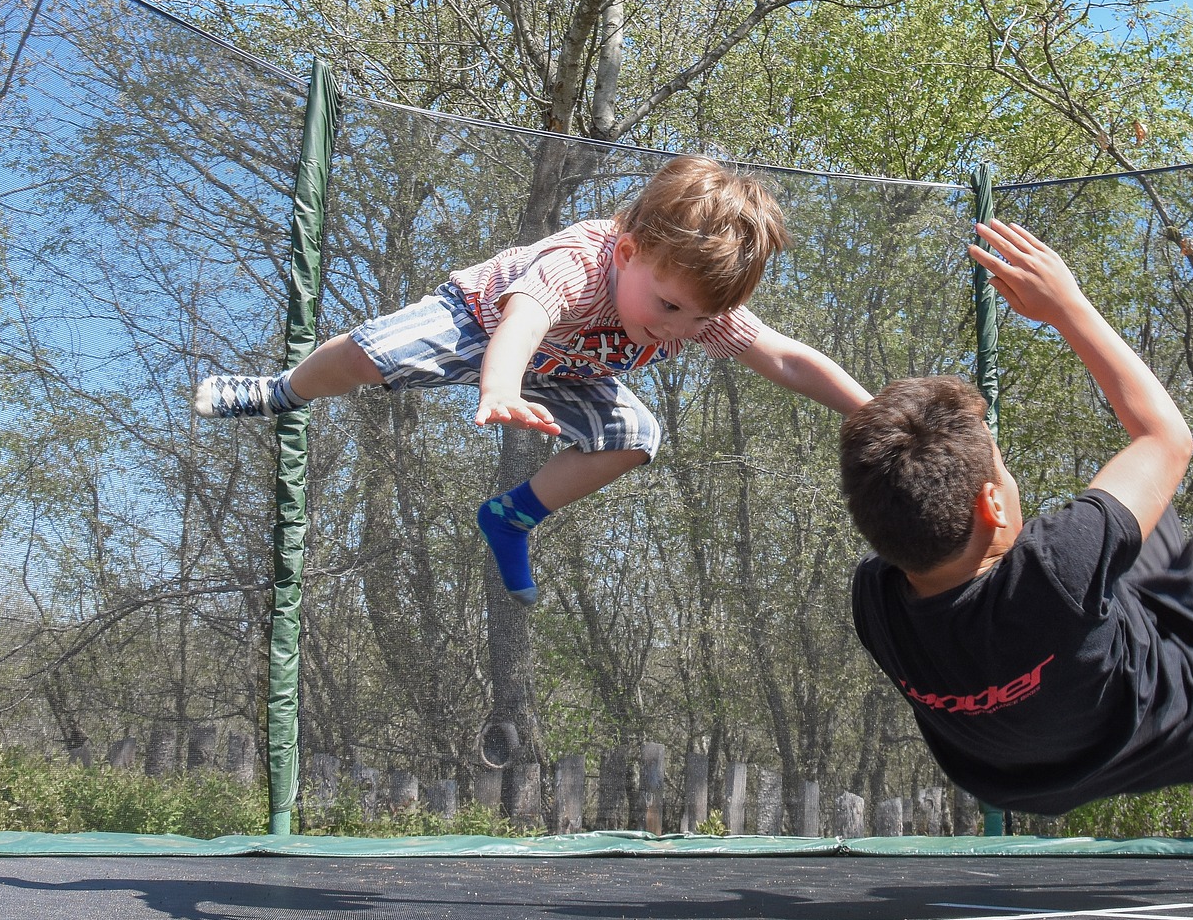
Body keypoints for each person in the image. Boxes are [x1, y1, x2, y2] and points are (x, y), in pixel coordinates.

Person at [842, 218, 1193, 815]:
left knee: (1145, 517)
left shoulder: (875, 601)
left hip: (1019, 781)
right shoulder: (1057, 567)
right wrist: (1067, 307)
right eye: (1003, 468)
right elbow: (1166, 437)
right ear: (990, 505)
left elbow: (898, 485)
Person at [196, 155, 870, 606]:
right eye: (667, 308)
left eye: (700, 319)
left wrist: (868, 410)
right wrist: (500, 386)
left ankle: (509, 517)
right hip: (481, 326)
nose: (676, 331)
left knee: (636, 434)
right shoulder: (577, 265)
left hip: (568, 369)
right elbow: (524, 316)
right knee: (371, 355)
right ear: (630, 253)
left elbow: (785, 357)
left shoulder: (692, 311)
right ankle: (281, 390)